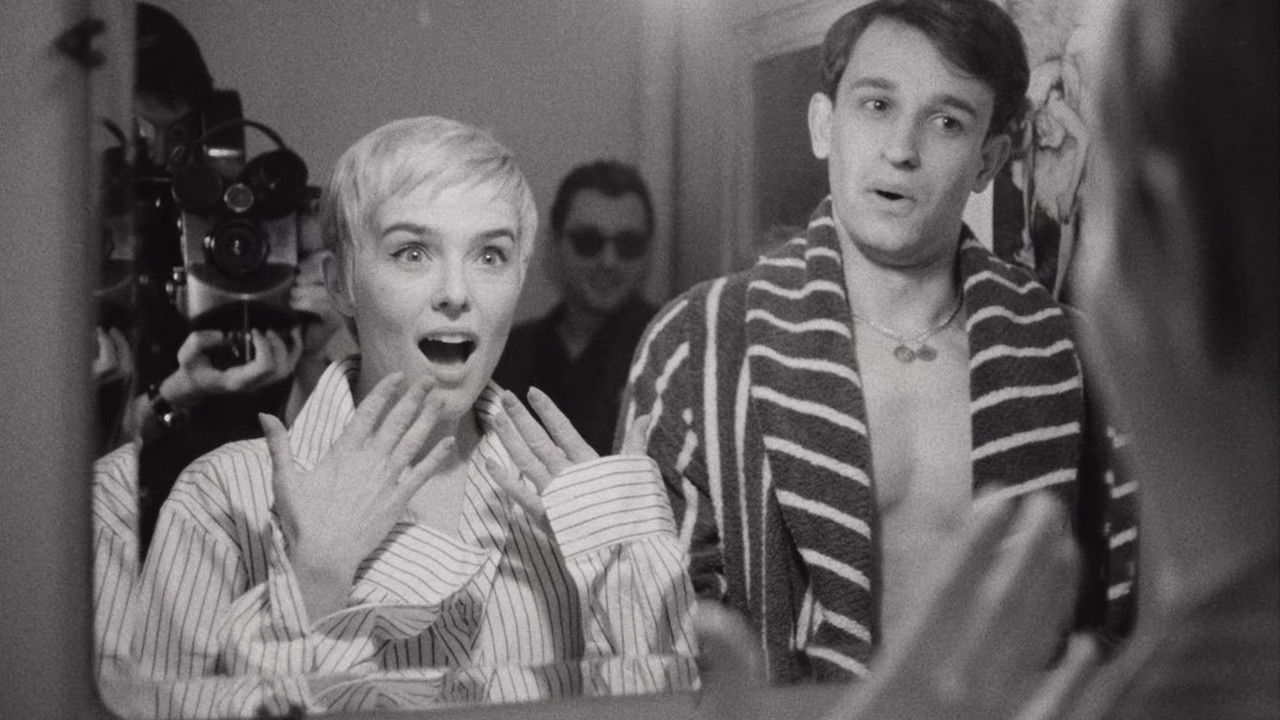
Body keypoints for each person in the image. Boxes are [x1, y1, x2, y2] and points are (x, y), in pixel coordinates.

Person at [620, 0, 1135, 683]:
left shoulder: (1067, 353)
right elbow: (656, 628)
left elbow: (1126, 606)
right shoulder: (701, 341)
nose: (901, 149)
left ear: (988, 160)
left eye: (946, 121)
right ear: (823, 125)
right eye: (876, 105)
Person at [127, 116, 695, 717]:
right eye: (412, 252)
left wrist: (632, 578)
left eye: (491, 255)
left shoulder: (569, 508)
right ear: (341, 284)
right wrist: (314, 579)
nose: (456, 292)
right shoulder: (223, 500)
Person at [494, 160, 657, 455]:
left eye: (628, 244)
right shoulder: (507, 352)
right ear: (554, 245)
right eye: (588, 242)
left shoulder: (667, 350)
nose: (609, 261)